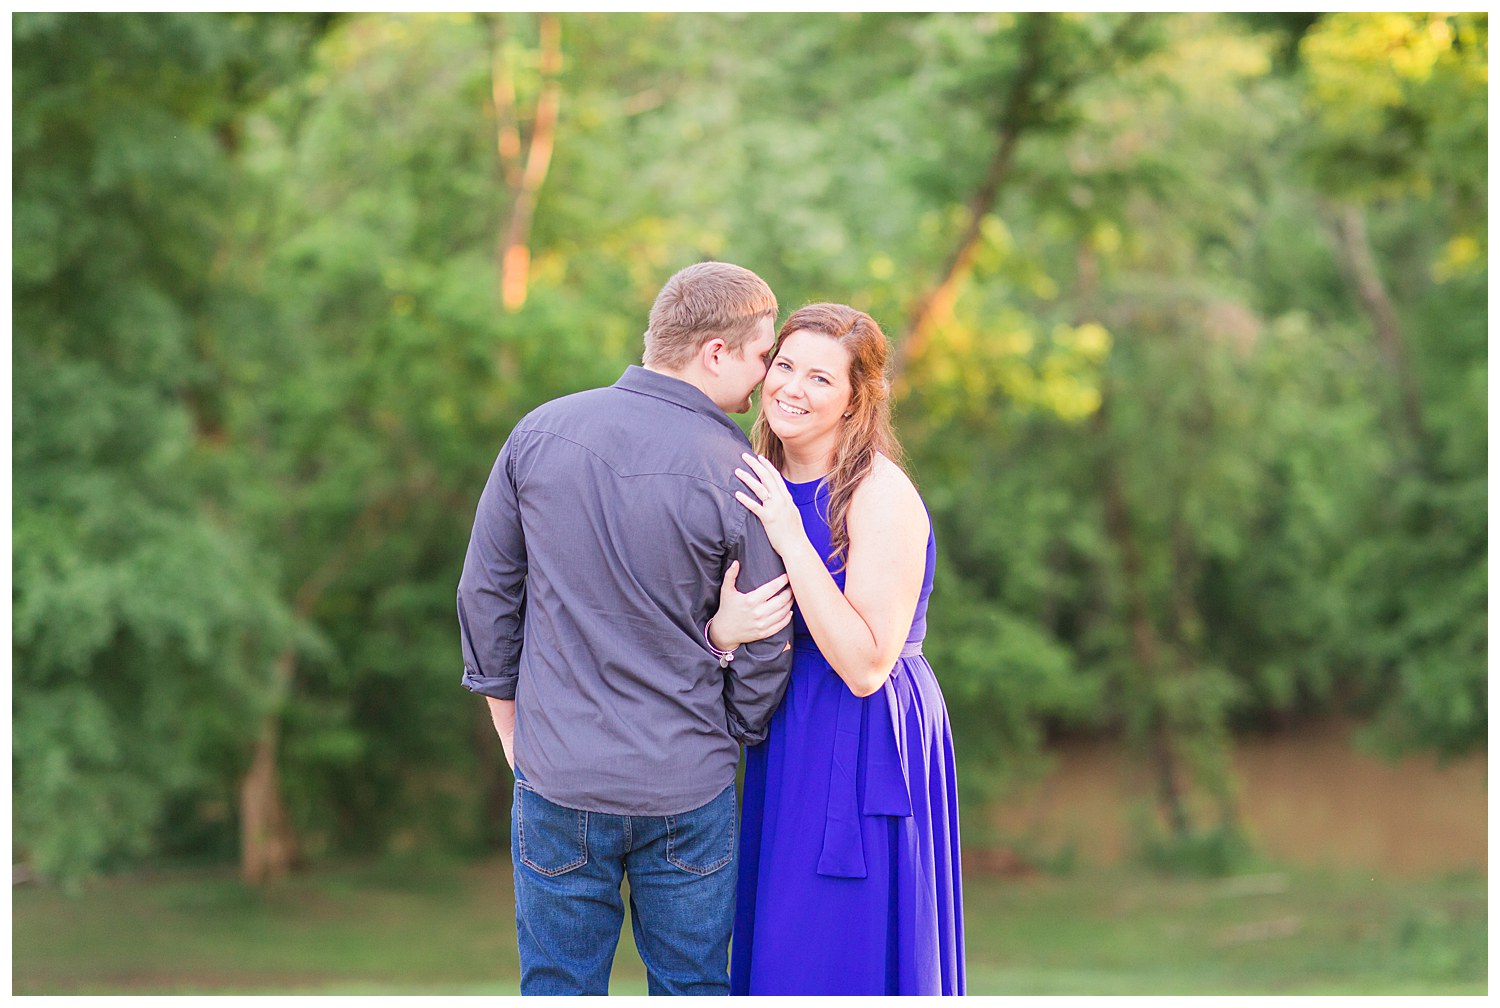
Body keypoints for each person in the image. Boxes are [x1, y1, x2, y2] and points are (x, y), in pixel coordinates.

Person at [456, 261, 796, 996]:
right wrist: (727, 729)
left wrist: (512, 731)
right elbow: (769, 637)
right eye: (762, 355)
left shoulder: (539, 432)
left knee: (558, 987)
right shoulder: (741, 472)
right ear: (715, 352)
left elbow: (486, 595)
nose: (766, 378)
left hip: (558, 776)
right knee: (693, 988)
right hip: (689, 785)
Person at [708, 303, 966, 995]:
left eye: (821, 378)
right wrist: (721, 632)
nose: (792, 387)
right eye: (784, 366)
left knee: (836, 946)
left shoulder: (878, 495)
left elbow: (865, 664)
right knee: (779, 942)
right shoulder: (748, 475)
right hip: (784, 730)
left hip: (864, 737)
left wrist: (793, 537)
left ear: (858, 398)